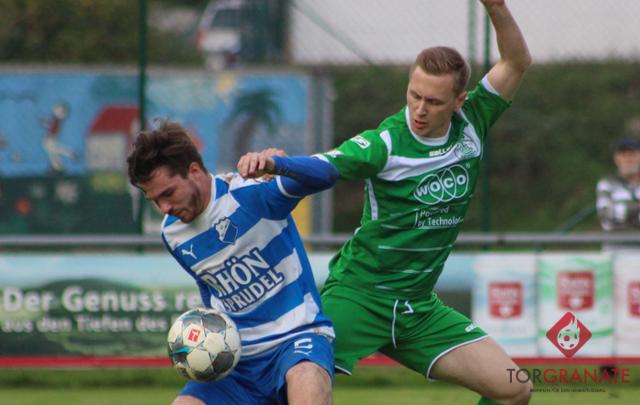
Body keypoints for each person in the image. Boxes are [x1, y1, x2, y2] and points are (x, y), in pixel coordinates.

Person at [242, 1, 532, 404]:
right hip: (360, 295)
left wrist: (496, 7)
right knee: (281, 388)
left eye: (434, 101)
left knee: (514, 389)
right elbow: (326, 165)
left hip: (418, 308)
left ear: (459, 101)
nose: (420, 109)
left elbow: (516, 62)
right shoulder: (386, 143)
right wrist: (278, 164)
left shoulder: (474, 121)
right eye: (414, 95)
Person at [126, 120, 338, 405]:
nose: (165, 208)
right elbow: (209, 289)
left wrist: (278, 165)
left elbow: (328, 174)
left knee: (308, 379)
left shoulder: (252, 193)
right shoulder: (172, 234)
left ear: (194, 171)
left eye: (168, 193)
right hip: (236, 361)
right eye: (155, 201)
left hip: (297, 340)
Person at [596, 137, 640, 250]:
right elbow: (607, 214)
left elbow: (618, 213)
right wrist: (636, 207)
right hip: (616, 248)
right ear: (616, 158)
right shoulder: (606, 184)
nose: (628, 159)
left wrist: (623, 209)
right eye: (623, 155)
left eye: (632, 155)